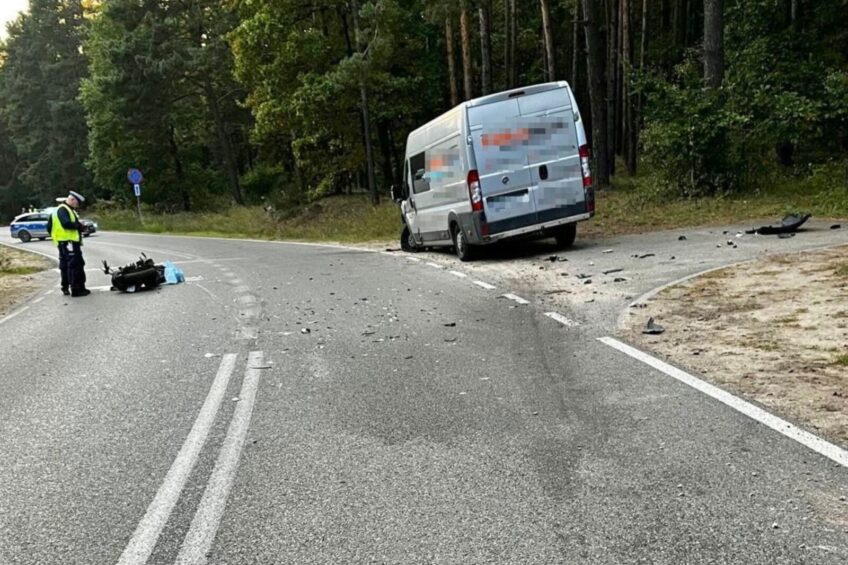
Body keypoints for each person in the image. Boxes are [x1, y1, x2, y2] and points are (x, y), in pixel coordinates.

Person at [48, 191, 90, 297]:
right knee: (74, 265)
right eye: (77, 203)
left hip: (63, 242)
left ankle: (66, 287)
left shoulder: (58, 210)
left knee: (66, 265)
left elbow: (49, 227)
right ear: (72, 200)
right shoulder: (63, 210)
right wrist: (79, 226)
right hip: (69, 242)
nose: (77, 206)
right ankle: (76, 289)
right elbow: (66, 223)